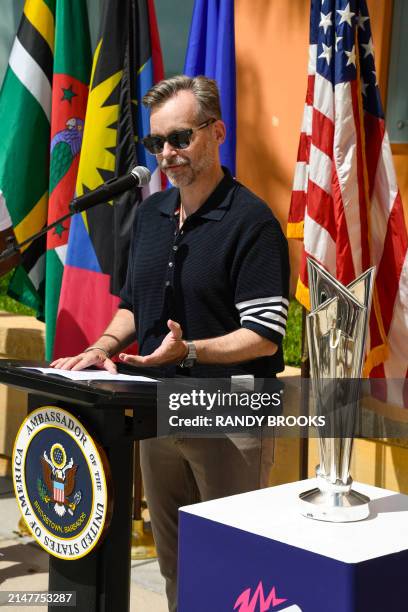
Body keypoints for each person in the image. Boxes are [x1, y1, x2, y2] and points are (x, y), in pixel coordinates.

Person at [51, 75, 290, 612]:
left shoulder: (252, 221)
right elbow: (136, 305)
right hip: (158, 410)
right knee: (176, 566)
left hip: (231, 416)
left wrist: (191, 351)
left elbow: (265, 334)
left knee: (234, 572)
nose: (167, 153)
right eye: (156, 142)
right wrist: (103, 345)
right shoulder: (154, 215)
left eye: (180, 138)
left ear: (217, 132)